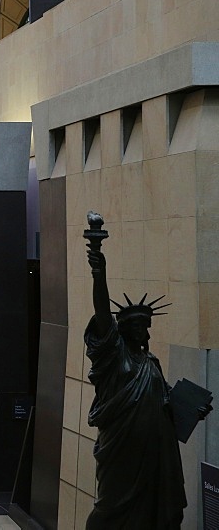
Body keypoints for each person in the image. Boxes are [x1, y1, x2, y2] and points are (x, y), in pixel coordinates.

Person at [83, 225, 210, 527]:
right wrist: (99, 270)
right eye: (140, 327)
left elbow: (165, 400)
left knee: (157, 512)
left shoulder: (150, 362)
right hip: (122, 450)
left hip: (157, 451)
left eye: (147, 326)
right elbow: (102, 312)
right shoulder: (114, 357)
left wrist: (193, 411)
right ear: (124, 331)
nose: (146, 332)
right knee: (110, 507)